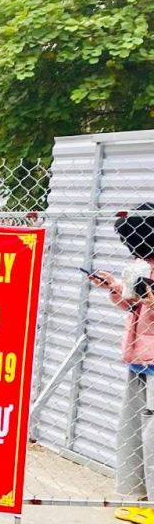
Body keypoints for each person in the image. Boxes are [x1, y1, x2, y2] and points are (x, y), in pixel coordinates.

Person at [90, 203, 154, 503]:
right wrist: (114, 286)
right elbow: (132, 306)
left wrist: (151, 297)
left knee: (152, 432)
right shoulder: (142, 266)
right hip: (138, 358)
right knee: (131, 426)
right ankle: (134, 493)